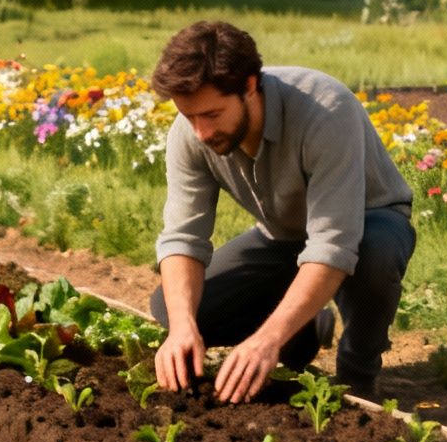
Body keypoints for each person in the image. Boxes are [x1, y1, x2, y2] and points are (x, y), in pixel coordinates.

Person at [148, 20, 416, 403]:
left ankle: (358, 372)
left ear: (250, 87)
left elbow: (333, 245)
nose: (202, 133)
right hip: (283, 235)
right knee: (173, 306)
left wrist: (266, 341)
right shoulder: (190, 134)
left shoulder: (325, 111)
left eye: (211, 115)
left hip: (365, 220)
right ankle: (304, 325)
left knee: (376, 253)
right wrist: (182, 328)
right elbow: (183, 239)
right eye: (190, 118)